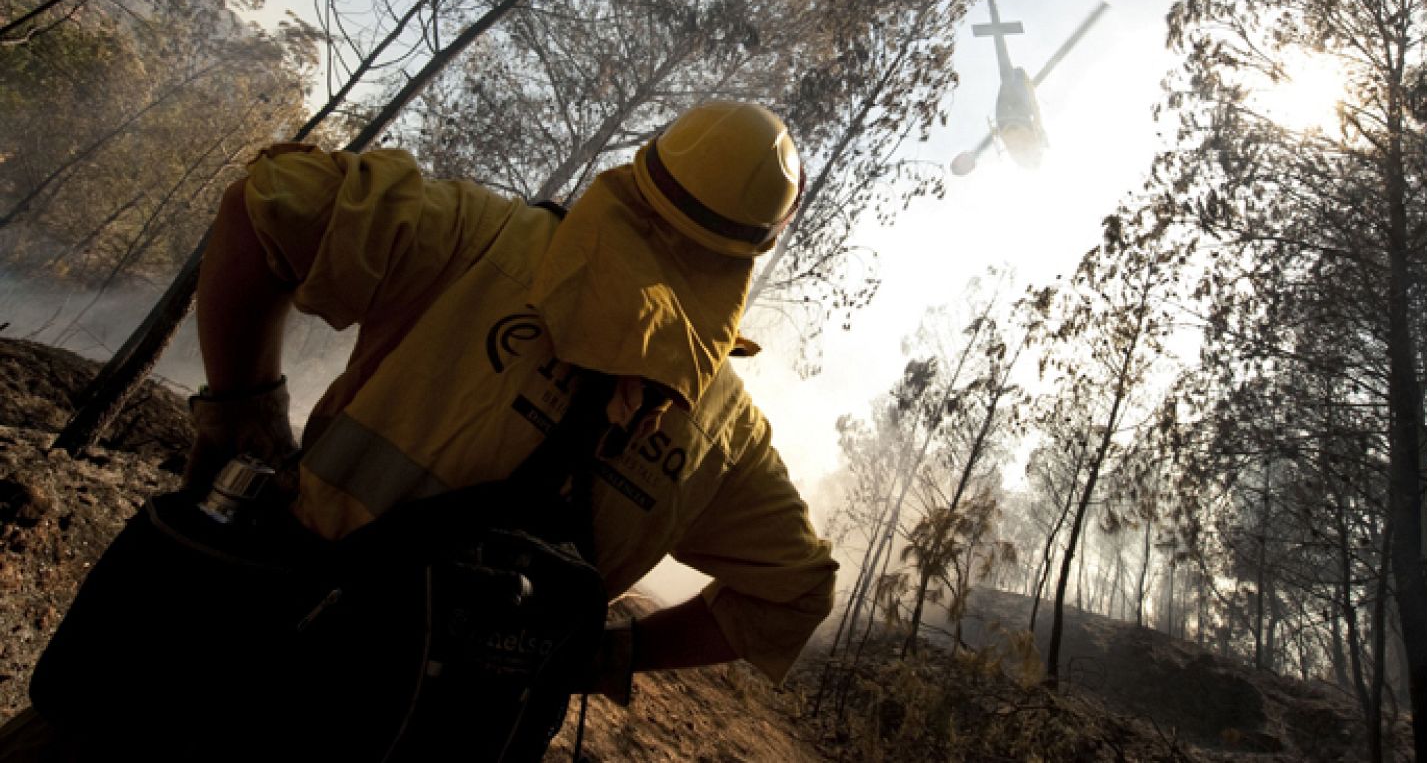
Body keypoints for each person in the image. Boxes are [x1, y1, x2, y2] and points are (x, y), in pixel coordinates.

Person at [0, 100, 838, 760]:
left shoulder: (479, 235)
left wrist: (240, 410)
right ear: (753, 256)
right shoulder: (727, 429)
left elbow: (265, 206)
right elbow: (794, 592)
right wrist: (610, 656)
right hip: (440, 734)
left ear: (640, 172)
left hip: (242, 663)